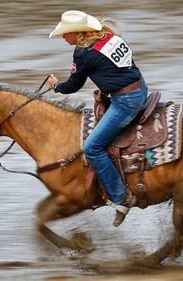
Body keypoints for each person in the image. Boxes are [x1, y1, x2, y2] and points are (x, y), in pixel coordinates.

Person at [47, 10, 148, 227]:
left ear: (75, 32)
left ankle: (121, 197)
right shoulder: (109, 38)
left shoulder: (83, 53)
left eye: (65, 34)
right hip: (140, 89)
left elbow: (73, 85)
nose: (64, 38)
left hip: (126, 101)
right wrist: (106, 87)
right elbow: (122, 67)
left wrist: (55, 86)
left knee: (92, 147)